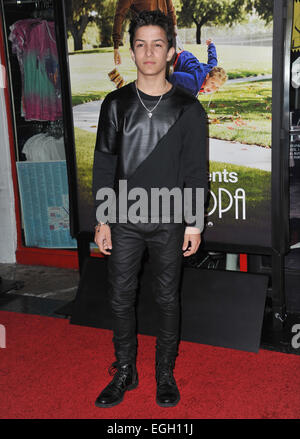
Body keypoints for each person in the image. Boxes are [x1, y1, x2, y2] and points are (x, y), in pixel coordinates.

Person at [92, 10, 208, 408]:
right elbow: (105, 162)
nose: (149, 52)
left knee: (166, 299)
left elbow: (196, 171)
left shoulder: (189, 109)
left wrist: (193, 226)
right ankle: (125, 370)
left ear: (171, 51)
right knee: (120, 298)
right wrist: (102, 219)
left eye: (157, 44)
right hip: (123, 220)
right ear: (132, 51)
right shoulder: (115, 103)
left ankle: (164, 373)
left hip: (170, 222)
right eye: (140, 44)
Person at [112, 0, 177, 65]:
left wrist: (174, 29)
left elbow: (170, 8)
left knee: (168, 70)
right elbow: (120, 15)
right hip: (146, 38)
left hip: (165, 35)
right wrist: (116, 46)